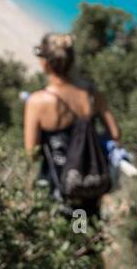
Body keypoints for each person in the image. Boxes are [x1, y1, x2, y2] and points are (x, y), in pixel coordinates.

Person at [23, 33, 122, 220]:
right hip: (90, 184)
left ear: (45, 63)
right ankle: (84, 241)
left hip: (59, 188)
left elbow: (31, 154)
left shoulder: (37, 102)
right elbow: (115, 133)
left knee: (63, 242)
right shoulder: (91, 93)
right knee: (85, 234)